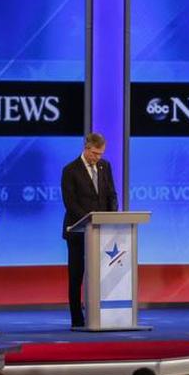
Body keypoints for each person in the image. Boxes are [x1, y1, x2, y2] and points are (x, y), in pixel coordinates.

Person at [61, 132, 118, 328]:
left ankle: (103, 314)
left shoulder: (105, 166)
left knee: (103, 274)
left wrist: (111, 218)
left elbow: (111, 194)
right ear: (86, 148)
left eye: (101, 154)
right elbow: (70, 203)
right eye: (95, 153)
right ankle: (77, 319)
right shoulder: (70, 170)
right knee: (76, 275)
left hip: (102, 231)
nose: (97, 158)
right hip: (77, 231)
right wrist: (89, 221)